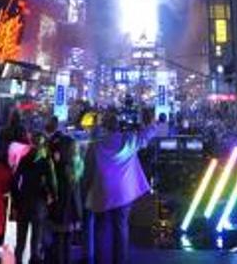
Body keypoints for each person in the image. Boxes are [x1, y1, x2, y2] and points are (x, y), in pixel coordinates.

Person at [84, 108, 157, 264]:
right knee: (121, 227)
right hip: (123, 194)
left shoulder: (96, 145)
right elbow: (149, 134)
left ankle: (100, 260)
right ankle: (120, 260)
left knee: (101, 228)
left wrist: (85, 192)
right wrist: (149, 121)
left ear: (105, 127)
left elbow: (87, 171)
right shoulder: (128, 140)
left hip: (102, 192)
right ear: (119, 126)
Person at [11, 133, 55, 264]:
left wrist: (17, 200)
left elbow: (14, 182)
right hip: (38, 205)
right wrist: (51, 196)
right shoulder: (45, 162)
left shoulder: (24, 160)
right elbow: (51, 184)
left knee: (20, 240)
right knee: (36, 241)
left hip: (24, 202)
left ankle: (18, 261)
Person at [48, 136, 83, 264]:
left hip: (59, 210)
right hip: (71, 212)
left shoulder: (58, 168)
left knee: (58, 242)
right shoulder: (75, 167)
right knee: (67, 243)